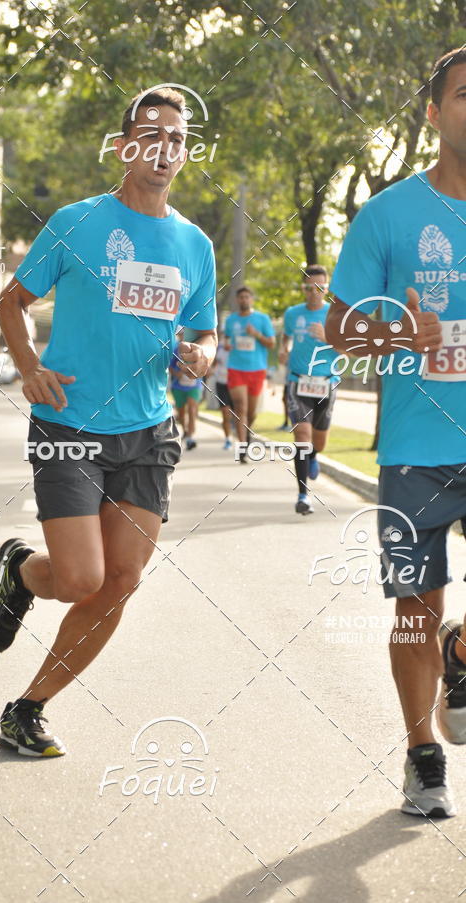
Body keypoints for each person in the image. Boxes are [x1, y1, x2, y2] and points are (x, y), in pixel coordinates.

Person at [0, 87, 217, 756]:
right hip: (70, 423)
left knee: (120, 583)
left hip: (148, 431)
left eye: (176, 137)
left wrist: (203, 354)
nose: (164, 148)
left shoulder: (194, 244)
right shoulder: (77, 222)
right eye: (151, 134)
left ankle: (27, 707)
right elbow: (12, 300)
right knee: (80, 578)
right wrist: (28, 367)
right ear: (123, 146)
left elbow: (205, 329)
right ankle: (22, 571)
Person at [325, 48, 466, 817]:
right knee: (416, 605)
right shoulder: (387, 214)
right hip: (416, 448)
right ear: (434, 111)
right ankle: (423, 757)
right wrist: (399, 338)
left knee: (442, 619)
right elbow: (339, 328)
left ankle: (463, 648)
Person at [279, 265, 339, 515]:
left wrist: (328, 337)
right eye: (309, 288)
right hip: (297, 381)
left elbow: (349, 350)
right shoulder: (293, 314)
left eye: (320, 288)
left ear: (326, 289)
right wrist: (284, 350)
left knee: (319, 443)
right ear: (303, 289)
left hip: (326, 382)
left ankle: (314, 456)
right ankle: (303, 495)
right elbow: (286, 338)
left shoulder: (335, 314)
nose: (314, 292)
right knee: (302, 436)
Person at [224, 287, 275, 462]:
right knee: (240, 407)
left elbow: (271, 343)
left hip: (257, 369)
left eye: (247, 297)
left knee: (251, 412)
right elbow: (226, 338)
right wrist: (227, 344)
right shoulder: (231, 320)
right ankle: (243, 447)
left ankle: (244, 432)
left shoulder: (262, 319)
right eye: (241, 297)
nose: (244, 300)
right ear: (237, 300)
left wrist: (257, 334)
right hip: (236, 368)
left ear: (251, 299)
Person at [170, 330, 203, 450]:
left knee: (192, 409)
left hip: (194, 385)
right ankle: (185, 430)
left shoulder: (198, 348)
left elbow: (205, 365)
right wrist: (177, 374)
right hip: (178, 386)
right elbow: (170, 366)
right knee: (182, 412)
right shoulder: (176, 350)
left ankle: (190, 437)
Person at [211, 331, 234, 450]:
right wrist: (211, 370)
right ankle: (228, 439)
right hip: (221, 383)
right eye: (226, 337)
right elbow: (214, 362)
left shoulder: (236, 349)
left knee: (238, 414)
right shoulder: (219, 348)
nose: (227, 339)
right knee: (225, 413)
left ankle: (242, 440)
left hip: (234, 385)